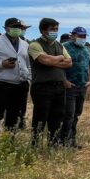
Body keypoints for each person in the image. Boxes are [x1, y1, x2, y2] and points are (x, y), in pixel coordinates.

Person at [0, 18, 32, 134]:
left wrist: (28, 77)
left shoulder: (24, 44)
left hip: (20, 84)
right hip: (1, 84)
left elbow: (28, 64)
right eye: (14, 27)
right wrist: (0, 64)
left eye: (19, 27)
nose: (17, 29)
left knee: (14, 115)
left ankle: (9, 140)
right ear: (7, 28)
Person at [28, 18, 72, 146]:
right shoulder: (35, 45)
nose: (55, 32)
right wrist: (58, 59)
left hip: (59, 86)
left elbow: (69, 63)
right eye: (52, 29)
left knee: (57, 117)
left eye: (56, 29)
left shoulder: (59, 45)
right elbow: (45, 60)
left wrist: (52, 61)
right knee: (40, 117)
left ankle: (53, 144)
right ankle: (35, 144)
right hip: (42, 87)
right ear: (43, 30)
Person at [59, 27, 90, 148]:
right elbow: (58, 66)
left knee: (76, 114)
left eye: (84, 36)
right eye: (80, 36)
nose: (82, 38)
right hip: (70, 86)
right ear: (72, 35)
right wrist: (64, 80)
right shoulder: (64, 47)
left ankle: (72, 140)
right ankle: (63, 141)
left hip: (82, 86)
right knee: (69, 114)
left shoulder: (86, 49)